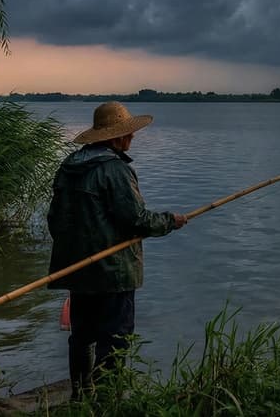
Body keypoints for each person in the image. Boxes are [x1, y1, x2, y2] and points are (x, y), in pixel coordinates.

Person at [47, 101, 188, 398]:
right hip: (113, 273)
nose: (132, 138)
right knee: (115, 340)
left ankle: (80, 397)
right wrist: (170, 221)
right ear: (115, 137)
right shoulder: (114, 170)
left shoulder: (69, 167)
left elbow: (55, 220)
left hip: (78, 270)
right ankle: (107, 403)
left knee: (82, 336)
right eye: (129, 133)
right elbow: (137, 220)